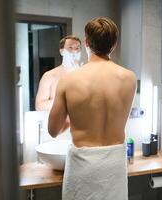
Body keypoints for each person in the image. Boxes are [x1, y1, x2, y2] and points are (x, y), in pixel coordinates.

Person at [48, 17, 136, 200]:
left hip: (82, 167)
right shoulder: (129, 78)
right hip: (114, 166)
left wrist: (75, 114)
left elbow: (53, 130)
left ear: (86, 42)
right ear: (114, 44)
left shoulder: (69, 81)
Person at [35, 35, 81, 111]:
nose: (74, 51)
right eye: (70, 47)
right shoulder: (49, 76)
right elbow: (39, 106)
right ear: (62, 51)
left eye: (77, 48)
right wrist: (65, 101)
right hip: (59, 121)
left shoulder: (86, 75)